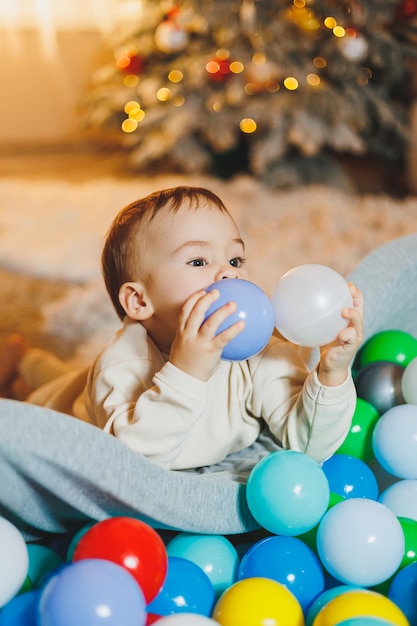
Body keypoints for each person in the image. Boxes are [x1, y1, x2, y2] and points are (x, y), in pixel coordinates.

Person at [0, 186, 364, 470]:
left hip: (84, 382)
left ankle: (26, 359)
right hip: (69, 410)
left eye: (235, 258)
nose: (228, 273)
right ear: (140, 302)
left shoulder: (259, 352)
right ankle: (23, 360)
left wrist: (331, 373)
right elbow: (129, 462)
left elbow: (310, 443)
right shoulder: (119, 367)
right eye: (198, 260)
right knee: (52, 391)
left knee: (65, 374)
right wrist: (187, 371)